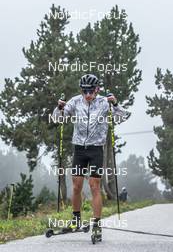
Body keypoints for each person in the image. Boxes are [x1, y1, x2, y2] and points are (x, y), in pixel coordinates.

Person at [52, 74, 129, 237]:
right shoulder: (75, 101)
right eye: (84, 91)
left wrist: (115, 104)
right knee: (76, 186)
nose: (87, 95)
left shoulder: (103, 102)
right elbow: (57, 119)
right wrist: (59, 108)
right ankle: (76, 219)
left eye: (91, 91)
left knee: (94, 186)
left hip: (95, 149)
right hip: (79, 149)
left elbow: (121, 117)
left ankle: (97, 223)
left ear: (97, 89)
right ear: (81, 90)